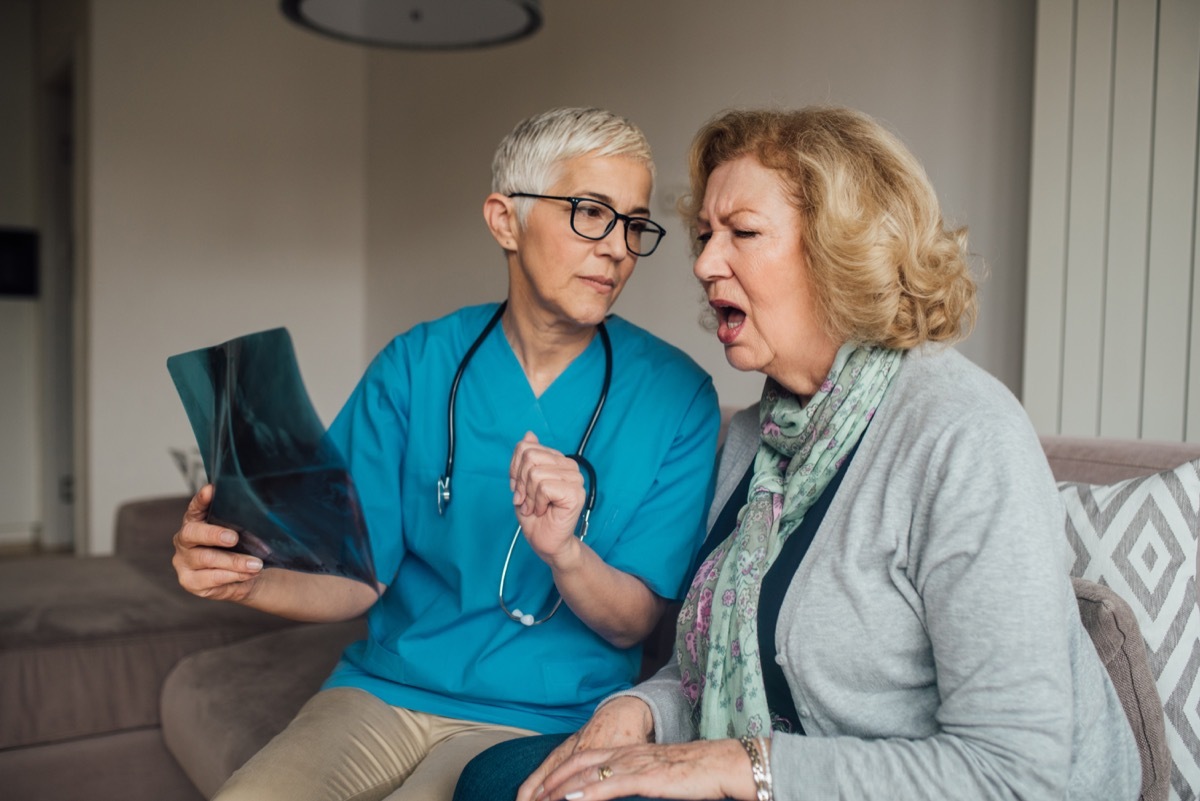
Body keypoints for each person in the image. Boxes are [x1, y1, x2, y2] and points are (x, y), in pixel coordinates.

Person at [453, 106, 1142, 801]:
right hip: (779, 774)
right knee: (499, 777)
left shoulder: (966, 435)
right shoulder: (757, 435)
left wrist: (736, 764)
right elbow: (709, 666)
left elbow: (1014, 773)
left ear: (842, 253)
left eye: (743, 233)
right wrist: (637, 712)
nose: (703, 264)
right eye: (705, 235)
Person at [171, 106, 721, 801]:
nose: (616, 248)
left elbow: (635, 621)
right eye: (590, 213)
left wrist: (565, 553)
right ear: (505, 220)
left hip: (540, 720)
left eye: (634, 224)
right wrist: (243, 579)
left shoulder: (677, 397)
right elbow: (355, 577)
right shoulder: (416, 365)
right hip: (381, 693)